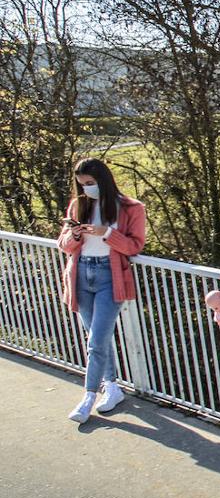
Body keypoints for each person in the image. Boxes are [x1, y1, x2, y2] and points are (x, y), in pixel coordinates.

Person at [56, 158, 147, 424]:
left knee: (96, 340)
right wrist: (74, 235)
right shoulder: (78, 205)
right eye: (82, 184)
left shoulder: (130, 208)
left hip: (110, 276)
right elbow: (63, 244)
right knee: (96, 337)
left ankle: (88, 397)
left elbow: (134, 246)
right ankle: (112, 385)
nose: (86, 189)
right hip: (81, 274)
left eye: (91, 184)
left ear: (103, 181)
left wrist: (107, 232)